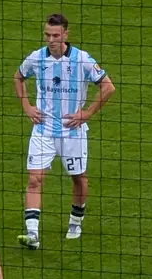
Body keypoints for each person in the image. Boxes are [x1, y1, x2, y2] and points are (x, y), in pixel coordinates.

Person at [12, 14, 115, 247]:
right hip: (43, 130)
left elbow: (108, 87)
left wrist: (87, 113)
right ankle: (32, 234)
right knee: (34, 179)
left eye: (56, 36)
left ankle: (75, 222)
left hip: (72, 132)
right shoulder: (36, 58)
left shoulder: (82, 60)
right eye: (47, 35)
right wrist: (27, 106)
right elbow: (18, 77)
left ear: (66, 35)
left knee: (78, 178)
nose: (51, 40)